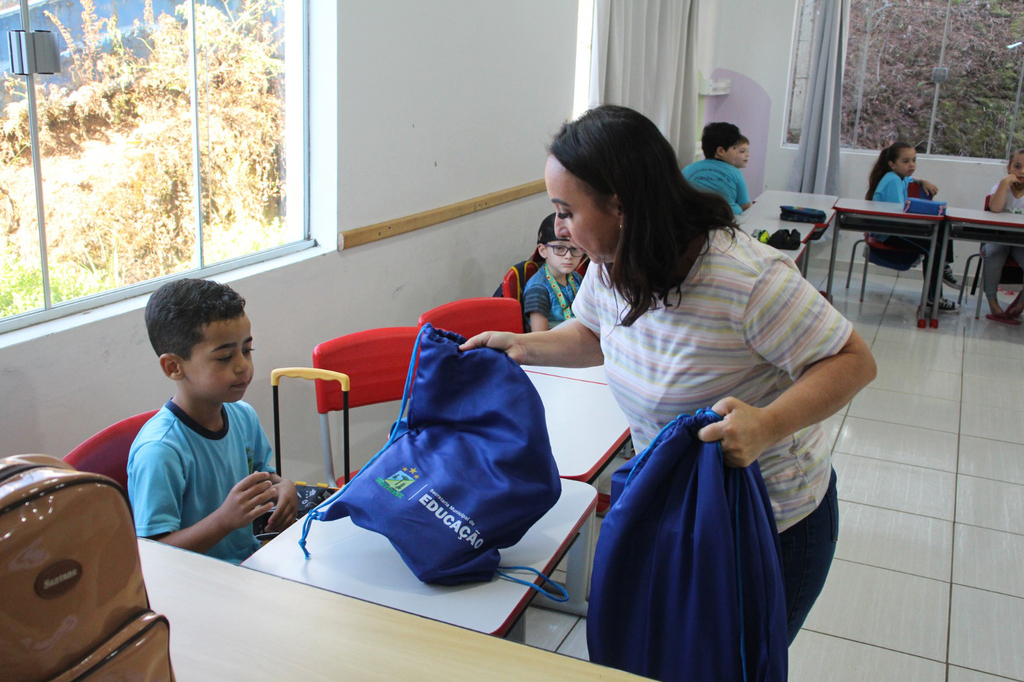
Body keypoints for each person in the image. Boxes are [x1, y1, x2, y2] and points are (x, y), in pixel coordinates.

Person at [462, 105, 876, 643]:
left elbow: (852, 361)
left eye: (566, 211)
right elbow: (592, 334)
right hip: (674, 505)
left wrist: (767, 425)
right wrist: (521, 345)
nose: (559, 227)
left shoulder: (746, 279)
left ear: (621, 205)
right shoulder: (611, 260)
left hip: (766, 524)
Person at [128, 278, 298, 564]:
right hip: (197, 589)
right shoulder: (160, 451)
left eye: (247, 350)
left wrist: (284, 488)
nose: (243, 366)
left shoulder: (243, 416)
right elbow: (153, 556)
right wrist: (224, 520)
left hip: (248, 566)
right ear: (173, 367)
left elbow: (265, 478)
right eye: (224, 357)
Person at [866, 141, 960, 312]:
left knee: (942, 225)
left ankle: (943, 266)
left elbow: (909, 179)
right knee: (933, 248)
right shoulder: (893, 180)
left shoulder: (898, 176)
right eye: (906, 161)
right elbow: (898, 216)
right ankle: (933, 299)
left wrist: (921, 180)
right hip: (889, 232)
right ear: (892, 164)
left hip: (896, 228)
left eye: (914, 160)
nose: (912, 165)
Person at [980, 149, 1024, 323]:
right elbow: (996, 209)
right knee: (994, 254)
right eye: (1017, 166)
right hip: (998, 238)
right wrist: (1005, 182)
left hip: (1021, 242)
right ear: (1009, 168)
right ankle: (992, 302)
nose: (1021, 172)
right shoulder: (1000, 187)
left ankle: (1020, 305)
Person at [523, 212, 584, 332]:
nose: (568, 256)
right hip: (553, 346)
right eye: (560, 248)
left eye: (575, 249)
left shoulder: (576, 278)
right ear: (543, 251)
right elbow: (539, 339)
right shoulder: (538, 290)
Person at [682, 122, 752, 215]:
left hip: (694, 219)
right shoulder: (735, 173)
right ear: (721, 151)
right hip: (727, 220)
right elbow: (745, 206)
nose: (736, 153)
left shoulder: (687, 170)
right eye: (734, 148)